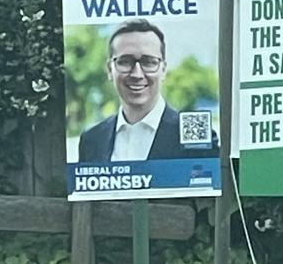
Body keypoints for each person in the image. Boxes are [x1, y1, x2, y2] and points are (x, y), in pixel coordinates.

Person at [78, 19, 218, 162]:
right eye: (125, 61)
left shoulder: (196, 135)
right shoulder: (91, 140)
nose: (137, 74)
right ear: (109, 70)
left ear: (163, 70)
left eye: (148, 62)